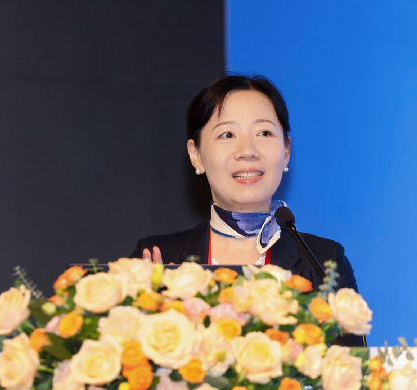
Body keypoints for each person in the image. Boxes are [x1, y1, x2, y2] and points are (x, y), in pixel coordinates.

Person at [130, 74, 364, 345]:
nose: (247, 151)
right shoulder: (156, 259)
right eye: (227, 134)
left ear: (286, 151)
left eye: (264, 133)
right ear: (196, 155)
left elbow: (353, 365)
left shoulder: (322, 263)